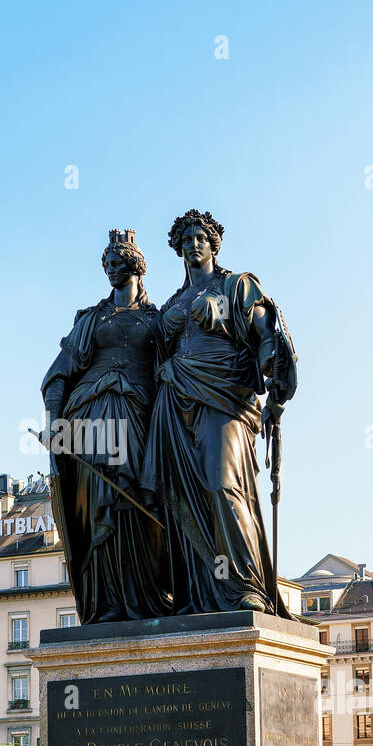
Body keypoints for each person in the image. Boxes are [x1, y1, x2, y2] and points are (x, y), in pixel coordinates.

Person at [141, 208, 296, 615]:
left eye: (201, 238)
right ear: (178, 248)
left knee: (221, 485)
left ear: (213, 244)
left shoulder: (235, 286)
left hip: (223, 394)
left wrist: (274, 376)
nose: (194, 244)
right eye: (187, 239)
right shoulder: (171, 304)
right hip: (174, 400)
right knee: (181, 499)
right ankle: (198, 592)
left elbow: (264, 335)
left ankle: (245, 585)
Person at [41, 229, 170, 623]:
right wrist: (54, 430)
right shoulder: (91, 318)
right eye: (107, 264)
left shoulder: (159, 319)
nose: (112, 269)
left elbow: (173, 371)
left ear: (136, 266)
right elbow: (58, 375)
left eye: (118, 263)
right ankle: (104, 603)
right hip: (90, 418)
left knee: (132, 501)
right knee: (99, 500)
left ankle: (142, 596)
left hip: (139, 416)